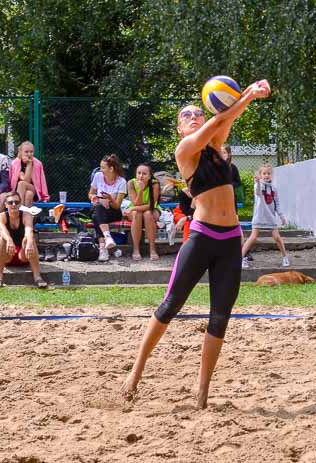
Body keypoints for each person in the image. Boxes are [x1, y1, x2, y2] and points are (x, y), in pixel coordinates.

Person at [121, 80, 272, 409]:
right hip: (202, 236)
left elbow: (227, 119)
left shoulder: (217, 143)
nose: (193, 116)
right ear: (179, 127)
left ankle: (202, 393)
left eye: (197, 113)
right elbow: (220, 120)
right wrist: (247, 93)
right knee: (170, 306)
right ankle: (136, 371)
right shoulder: (185, 149)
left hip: (230, 240)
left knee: (220, 317)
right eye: (186, 115)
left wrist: (247, 97)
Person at [0, 191, 48, 289]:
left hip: (24, 254)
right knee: (2, 239)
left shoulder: (27, 215)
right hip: (8, 256)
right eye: (10, 202)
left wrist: (30, 241)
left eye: (16, 202)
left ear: (20, 204)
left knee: (29, 239)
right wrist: (9, 240)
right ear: (5, 205)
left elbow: (29, 230)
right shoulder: (0, 216)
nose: (13, 205)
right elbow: (1, 229)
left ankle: (38, 277)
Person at [241, 164, 289, 269]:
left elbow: (277, 203)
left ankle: (285, 257)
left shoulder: (274, 188)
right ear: (260, 175)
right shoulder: (258, 185)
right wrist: (258, 183)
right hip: (259, 216)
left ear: (272, 175)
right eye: (264, 173)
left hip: (270, 216)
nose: (266, 175)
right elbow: (258, 193)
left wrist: (281, 216)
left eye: (268, 173)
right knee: (253, 237)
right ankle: (241, 258)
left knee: (277, 237)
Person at [88, 154, 127, 262]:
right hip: (99, 208)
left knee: (96, 216)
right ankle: (107, 239)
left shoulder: (122, 182)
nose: (101, 170)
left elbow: (117, 205)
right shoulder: (98, 176)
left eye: (103, 167)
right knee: (98, 210)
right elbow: (90, 193)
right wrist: (94, 197)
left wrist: (110, 199)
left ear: (111, 168)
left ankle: (104, 247)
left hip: (113, 211)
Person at [123, 163, 161, 260]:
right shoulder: (131, 183)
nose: (141, 176)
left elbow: (150, 206)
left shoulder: (155, 184)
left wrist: (131, 209)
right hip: (136, 210)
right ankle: (136, 249)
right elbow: (136, 204)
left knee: (148, 214)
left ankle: (152, 249)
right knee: (137, 214)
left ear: (149, 176)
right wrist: (140, 190)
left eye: (144, 174)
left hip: (152, 210)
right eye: (139, 173)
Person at [9, 141, 50, 207]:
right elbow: (25, 180)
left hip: (34, 190)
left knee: (22, 184)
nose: (29, 154)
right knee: (28, 194)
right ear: (21, 152)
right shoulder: (15, 163)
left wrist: (29, 164)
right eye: (26, 152)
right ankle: (27, 216)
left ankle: (19, 210)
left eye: (31, 152)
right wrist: (29, 165)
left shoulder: (37, 163)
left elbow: (42, 180)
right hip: (18, 191)